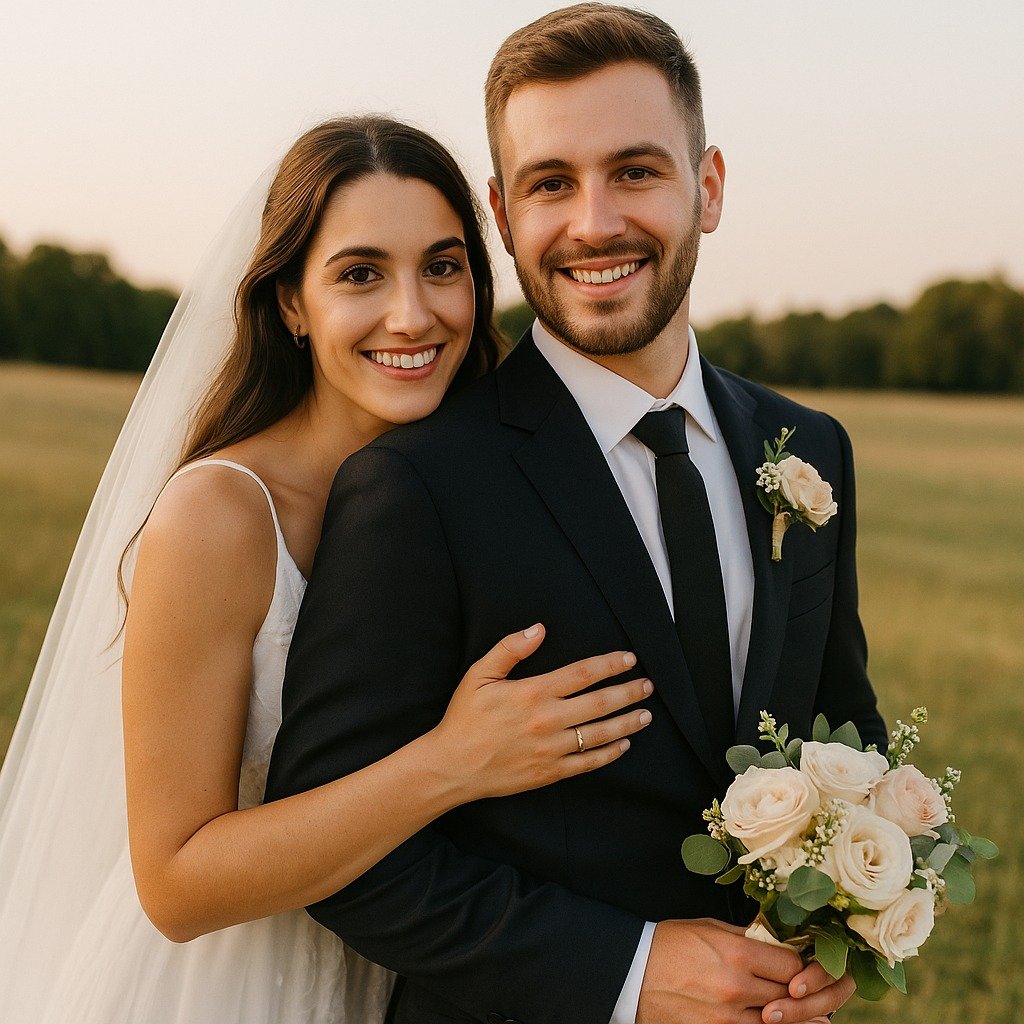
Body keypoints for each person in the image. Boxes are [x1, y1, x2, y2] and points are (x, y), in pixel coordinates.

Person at [265, 6, 889, 1024]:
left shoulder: (807, 448)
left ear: (709, 187)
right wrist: (630, 970)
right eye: (552, 183)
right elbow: (340, 858)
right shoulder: (417, 483)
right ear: (503, 215)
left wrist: (838, 920)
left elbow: (842, 729)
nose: (595, 222)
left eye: (636, 171)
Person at [0, 115, 654, 1024]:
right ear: (292, 305)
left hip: (420, 974)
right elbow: (176, 882)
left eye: (442, 265)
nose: (412, 315)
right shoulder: (221, 514)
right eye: (359, 274)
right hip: (231, 986)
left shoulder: (482, 488)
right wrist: (453, 762)